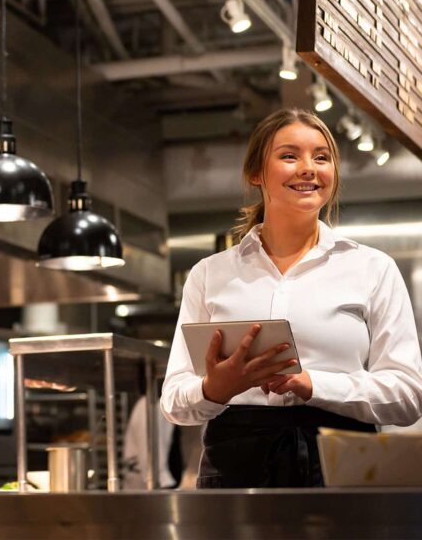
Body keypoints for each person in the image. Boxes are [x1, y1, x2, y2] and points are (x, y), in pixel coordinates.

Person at [160, 108, 422, 488]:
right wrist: (213, 389)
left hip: (342, 464)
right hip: (234, 469)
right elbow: (173, 401)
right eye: (289, 155)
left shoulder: (372, 269)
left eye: (321, 157)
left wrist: (314, 384)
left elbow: (407, 395)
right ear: (256, 173)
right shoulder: (209, 274)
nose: (308, 168)